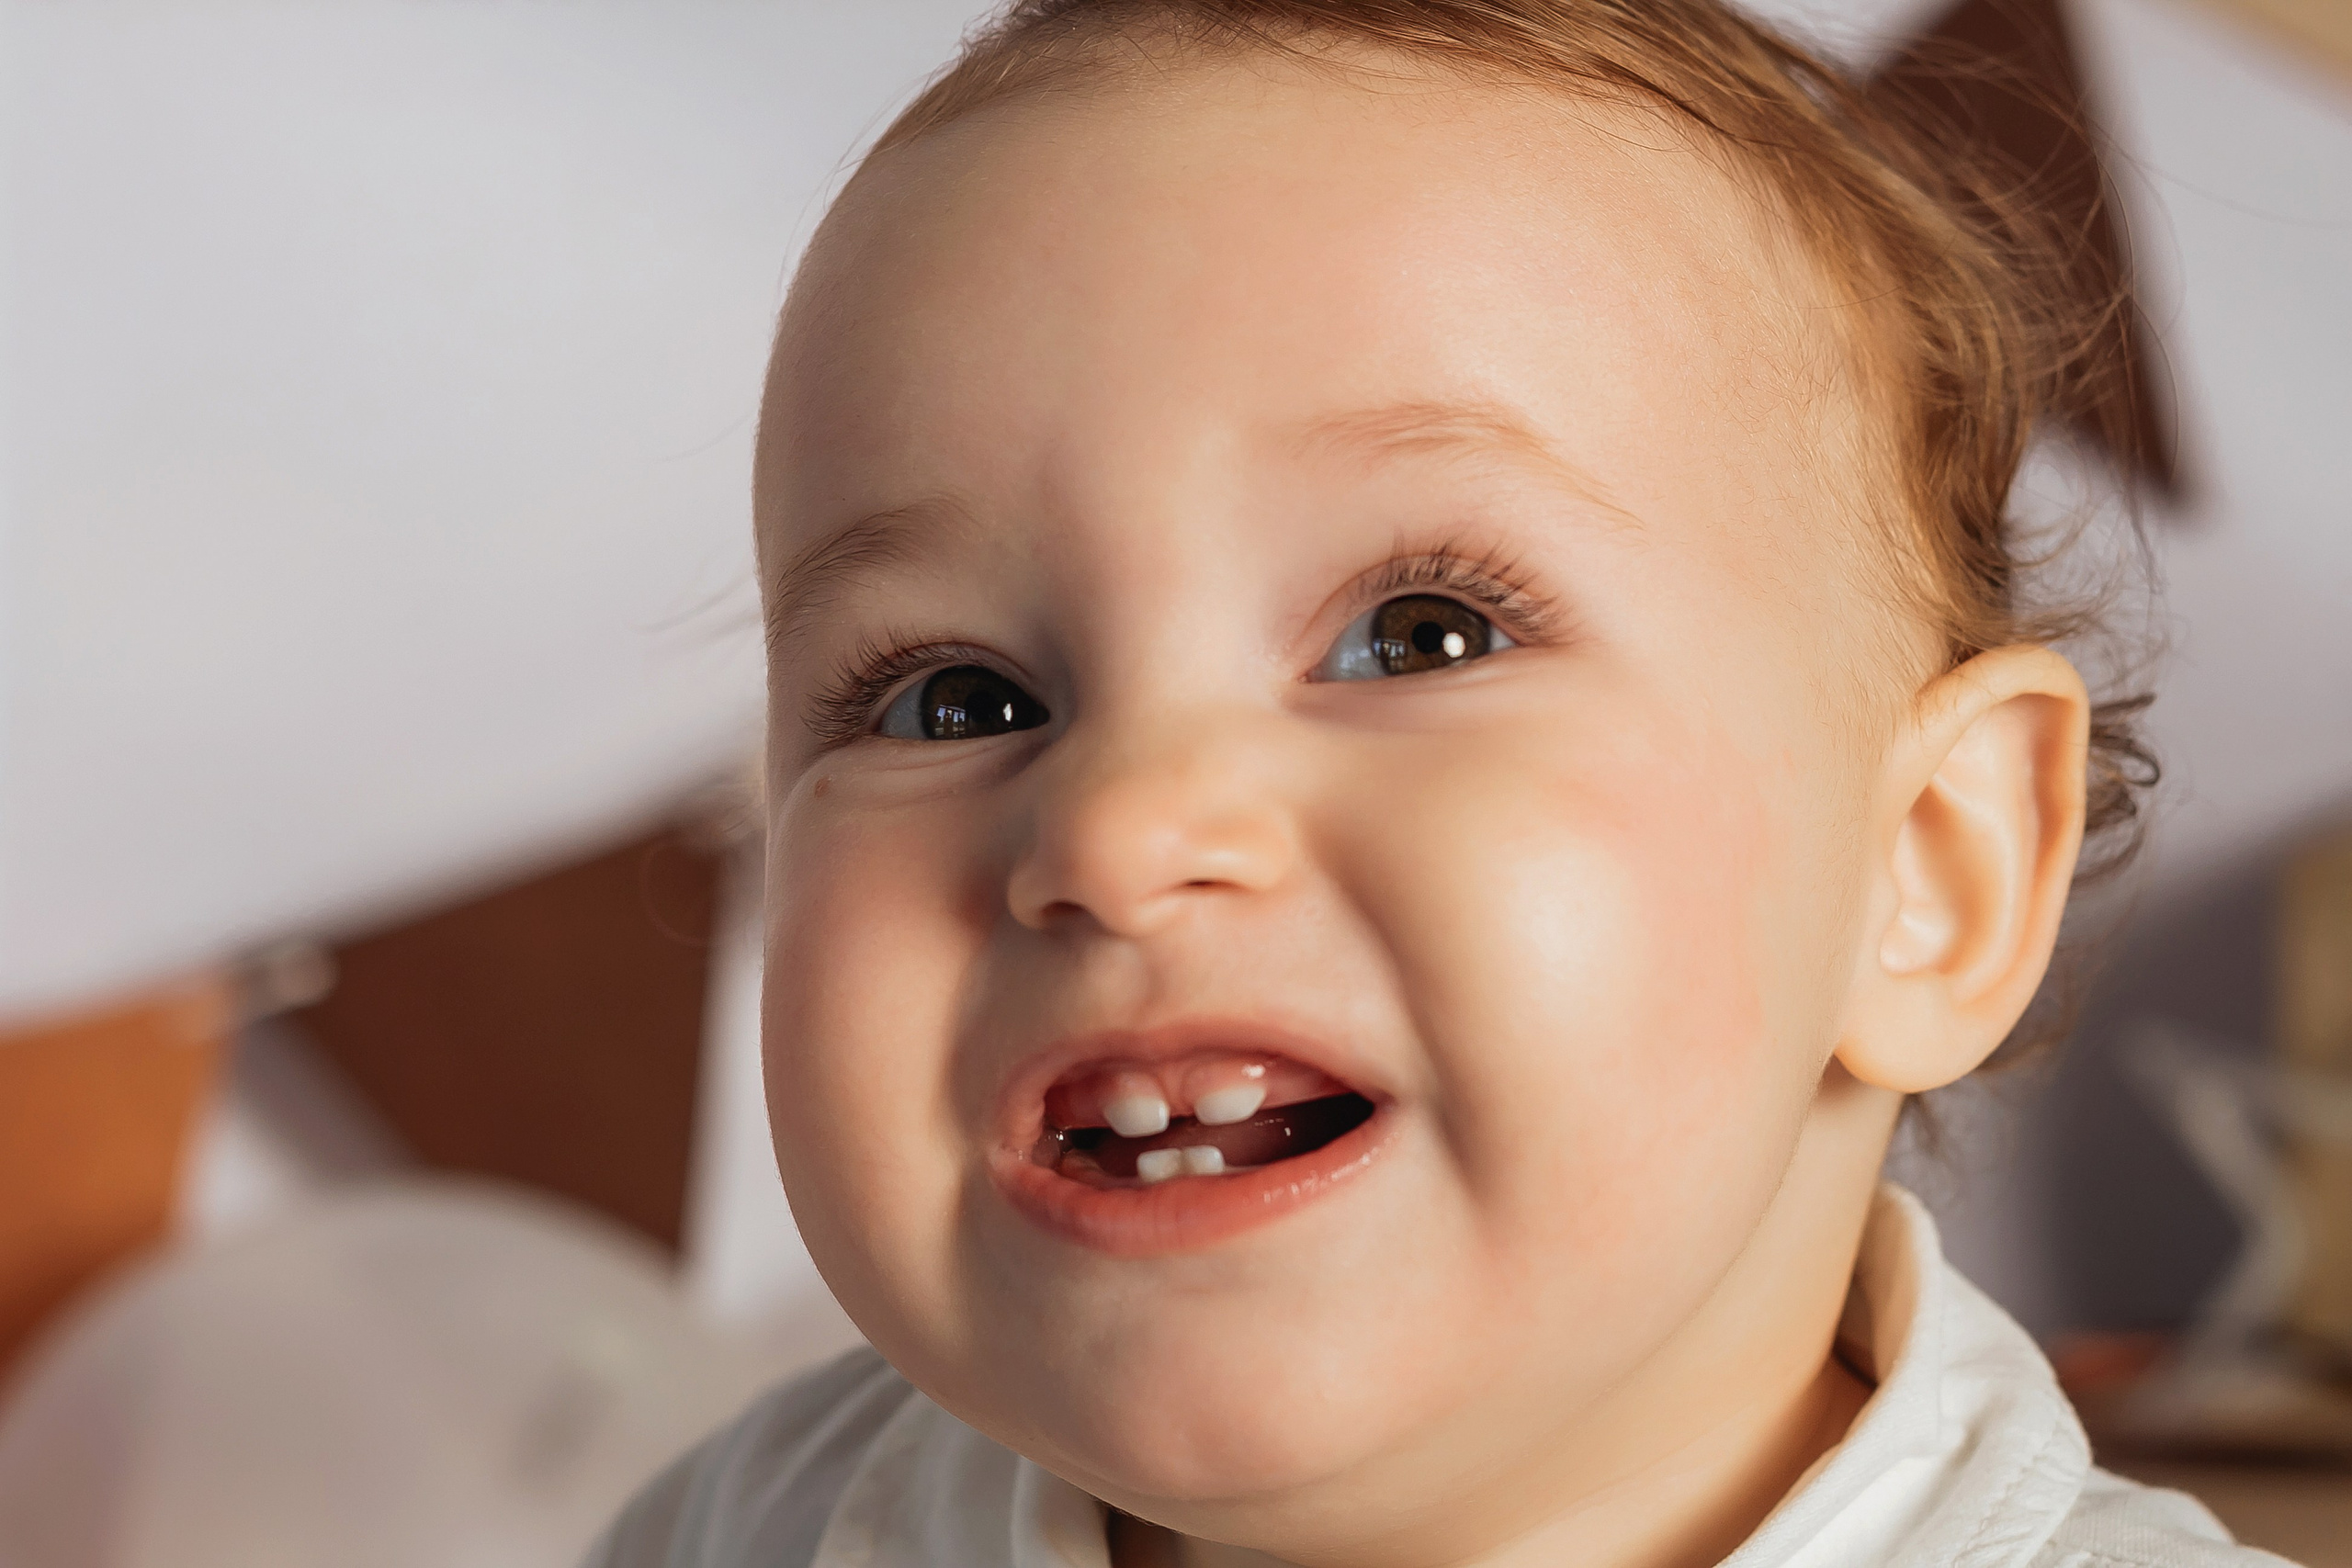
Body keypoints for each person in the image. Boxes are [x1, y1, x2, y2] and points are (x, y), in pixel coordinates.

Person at [588, 3, 2286, 1563]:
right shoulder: (757, 1525)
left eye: (1422, 636)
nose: (1117, 827)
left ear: (1931, 875)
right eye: (953, 699)